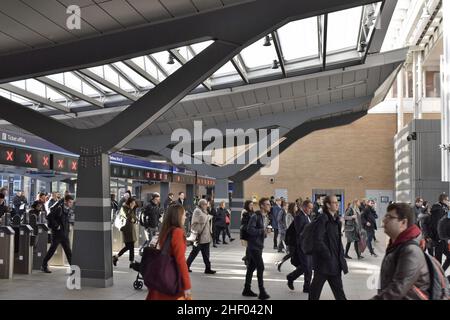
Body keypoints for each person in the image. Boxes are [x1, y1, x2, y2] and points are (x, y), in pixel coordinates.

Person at [371, 203, 431, 300]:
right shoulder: (396, 245)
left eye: (389, 217)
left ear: (403, 223)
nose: (384, 220)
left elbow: (397, 289)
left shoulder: (411, 251)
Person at [146, 204, 192, 300]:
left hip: (161, 279)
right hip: (171, 280)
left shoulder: (166, 230)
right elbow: (180, 261)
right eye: (183, 214)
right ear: (178, 216)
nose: (185, 217)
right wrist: (187, 284)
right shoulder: (178, 232)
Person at [309, 195, 348, 300]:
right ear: (327, 205)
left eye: (337, 202)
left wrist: (340, 257)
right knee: (314, 293)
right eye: (334, 202)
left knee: (339, 293)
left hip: (334, 264)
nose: (337, 204)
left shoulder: (336, 220)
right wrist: (328, 256)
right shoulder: (322, 218)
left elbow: (337, 241)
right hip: (323, 265)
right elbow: (318, 240)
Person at [242, 197, 271, 300]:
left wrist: (265, 233)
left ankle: (246, 289)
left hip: (258, 246)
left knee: (251, 268)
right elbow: (250, 230)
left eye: (269, 204)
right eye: (267, 204)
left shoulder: (264, 217)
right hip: (253, 247)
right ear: (262, 206)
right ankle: (262, 291)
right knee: (261, 267)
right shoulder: (255, 216)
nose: (269, 206)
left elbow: (260, 232)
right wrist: (262, 231)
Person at [41, 195, 74, 273]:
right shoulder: (59, 208)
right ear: (65, 201)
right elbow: (49, 217)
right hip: (57, 234)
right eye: (69, 202)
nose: (71, 204)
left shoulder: (68, 209)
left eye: (72, 202)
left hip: (65, 234)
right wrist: (56, 226)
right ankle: (44, 265)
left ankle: (73, 268)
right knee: (52, 250)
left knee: (68, 251)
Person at [286, 200, 313, 292]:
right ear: (304, 207)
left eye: (311, 208)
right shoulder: (299, 217)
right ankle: (306, 287)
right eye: (309, 208)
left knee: (307, 266)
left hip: (308, 245)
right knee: (307, 267)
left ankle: (291, 277)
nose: (310, 210)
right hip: (302, 246)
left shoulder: (307, 216)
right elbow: (300, 232)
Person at [186, 199, 216, 274]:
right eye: (205, 204)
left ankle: (208, 268)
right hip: (198, 237)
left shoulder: (204, 211)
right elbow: (201, 219)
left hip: (205, 237)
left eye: (207, 204)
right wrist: (208, 216)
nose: (207, 206)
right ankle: (186, 266)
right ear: (201, 204)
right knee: (194, 252)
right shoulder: (197, 211)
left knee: (206, 254)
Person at [113, 197, 138, 268]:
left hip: (131, 229)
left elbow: (134, 218)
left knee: (129, 246)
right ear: (129, 203)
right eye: (133, 203)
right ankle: (131, 262)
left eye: (134, 203)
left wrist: (134, 220)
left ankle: (117, 257)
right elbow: (128, 217)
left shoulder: (131, 209)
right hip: (126, 230)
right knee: (130, 246)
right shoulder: (123, 208)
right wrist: (131, 217)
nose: (134, 205)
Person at [276, 202, 298, 272]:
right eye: (295, 206)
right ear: (292, 207)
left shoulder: (294, 214)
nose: (296, 207)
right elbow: (289, 226)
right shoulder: (289, 215)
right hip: (291, 237)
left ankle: (298, 267)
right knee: (291, 253)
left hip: (295, 237)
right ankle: (280, 262)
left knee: (294, 253)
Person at [428, 193, 449, 265]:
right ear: (443, 200)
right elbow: (437, 224)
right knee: (438, 258)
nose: (448, 201)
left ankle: (440, 273)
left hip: (442, 237)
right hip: (439, 238)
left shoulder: (442, 208)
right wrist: (438, 237)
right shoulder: (438, 210)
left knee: (440, 258)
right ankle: (437, 274)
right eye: (447, 200)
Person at [240, 200, 254, 266]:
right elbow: (244, 222)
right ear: (247, 205)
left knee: (250, 247)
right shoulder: (244, 211)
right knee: (249, 247)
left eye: (252, 205)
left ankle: (247, 259)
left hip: (251, 231)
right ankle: (248, 260)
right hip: (246, 231)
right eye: (250, 205)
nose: (252, 206)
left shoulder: (251, 212)